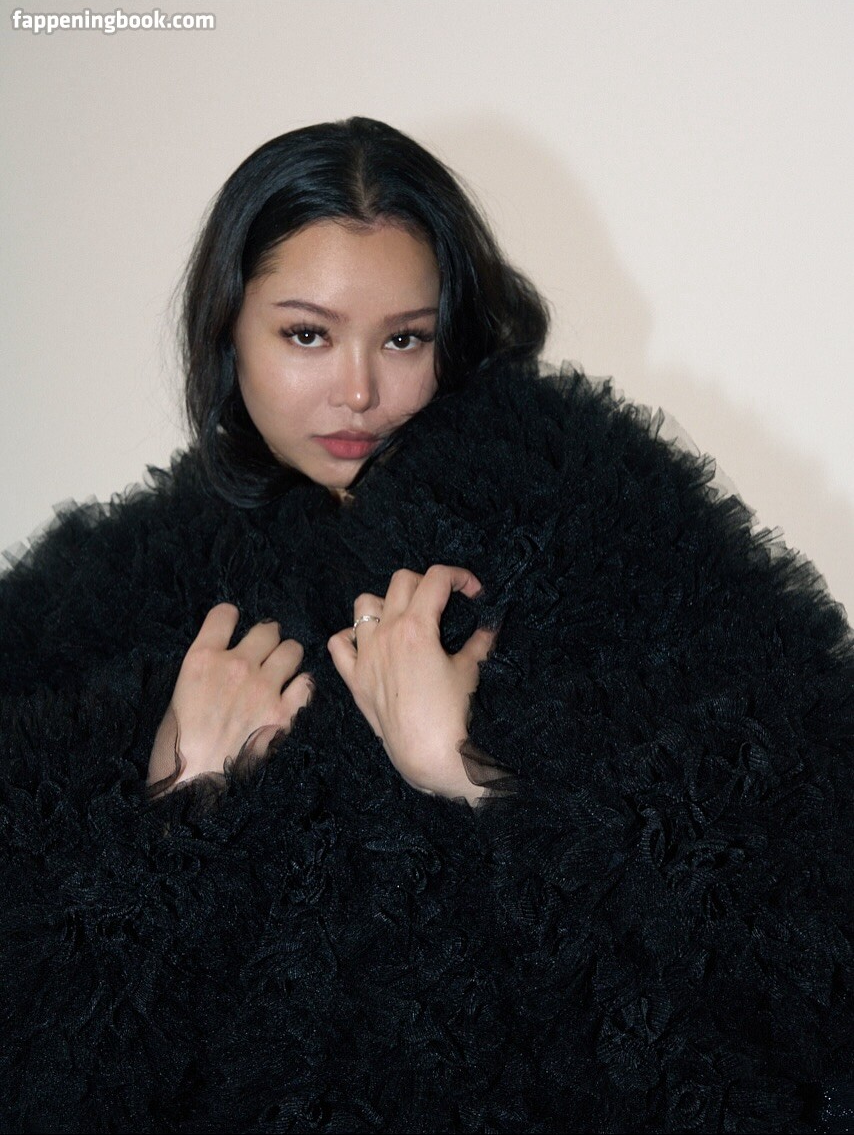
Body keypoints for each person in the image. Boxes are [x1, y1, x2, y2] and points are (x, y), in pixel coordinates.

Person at [0, 117, 850, 1134]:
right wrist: (183, 803)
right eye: (306, 335)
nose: (359, 390)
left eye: (404, 338)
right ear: (227, 331)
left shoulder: (589, 524)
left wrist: (473, 769)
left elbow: (794, 896)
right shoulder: (118, 595)